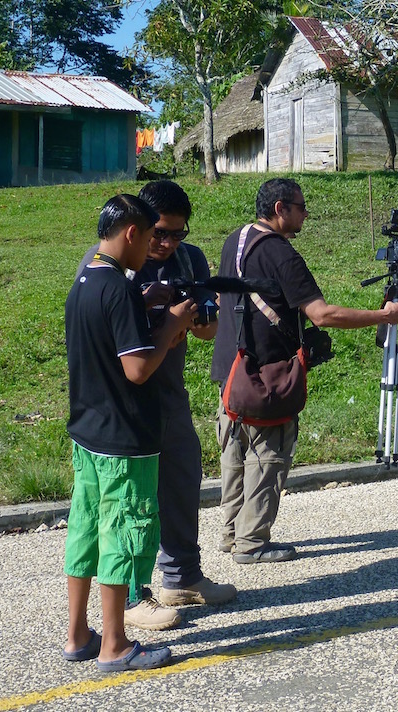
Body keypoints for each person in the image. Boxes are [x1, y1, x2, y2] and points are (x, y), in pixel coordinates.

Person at [210, 178, 398, 563]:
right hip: (268, 374)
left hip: (232, 369)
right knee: (269, 457)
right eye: (301, 207)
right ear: (281, 208)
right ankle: (252, 543)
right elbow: (323, 314)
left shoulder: (235, 240)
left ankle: (232, 534)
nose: (305, 214)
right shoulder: (282, 254)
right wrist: (383, 315)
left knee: (234, 452)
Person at [78, 180, 237, 632]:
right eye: (159, 233)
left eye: (177, 234)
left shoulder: (190, 259)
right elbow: (105, 338)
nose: (166, 244)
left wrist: (202, 319)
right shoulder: (110, 265)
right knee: (130, 502)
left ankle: (182, 577)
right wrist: (162, 322)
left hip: (169, 397)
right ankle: (130, 595)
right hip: (124, 405)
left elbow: (207, 331)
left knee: (182, 483)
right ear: (138, 228)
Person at [63, 194, 197, 672]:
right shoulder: (119, 287)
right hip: (125, 437)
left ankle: (79, 633)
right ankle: (115, 645)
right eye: (152, 236)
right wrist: (173, 325)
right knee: (122, 531)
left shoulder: (86, 278)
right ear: (131, 234)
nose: (155, 250)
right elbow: (138, 368)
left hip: (87, 429)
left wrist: (144, 303)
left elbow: (102, 332)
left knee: (85, 531)